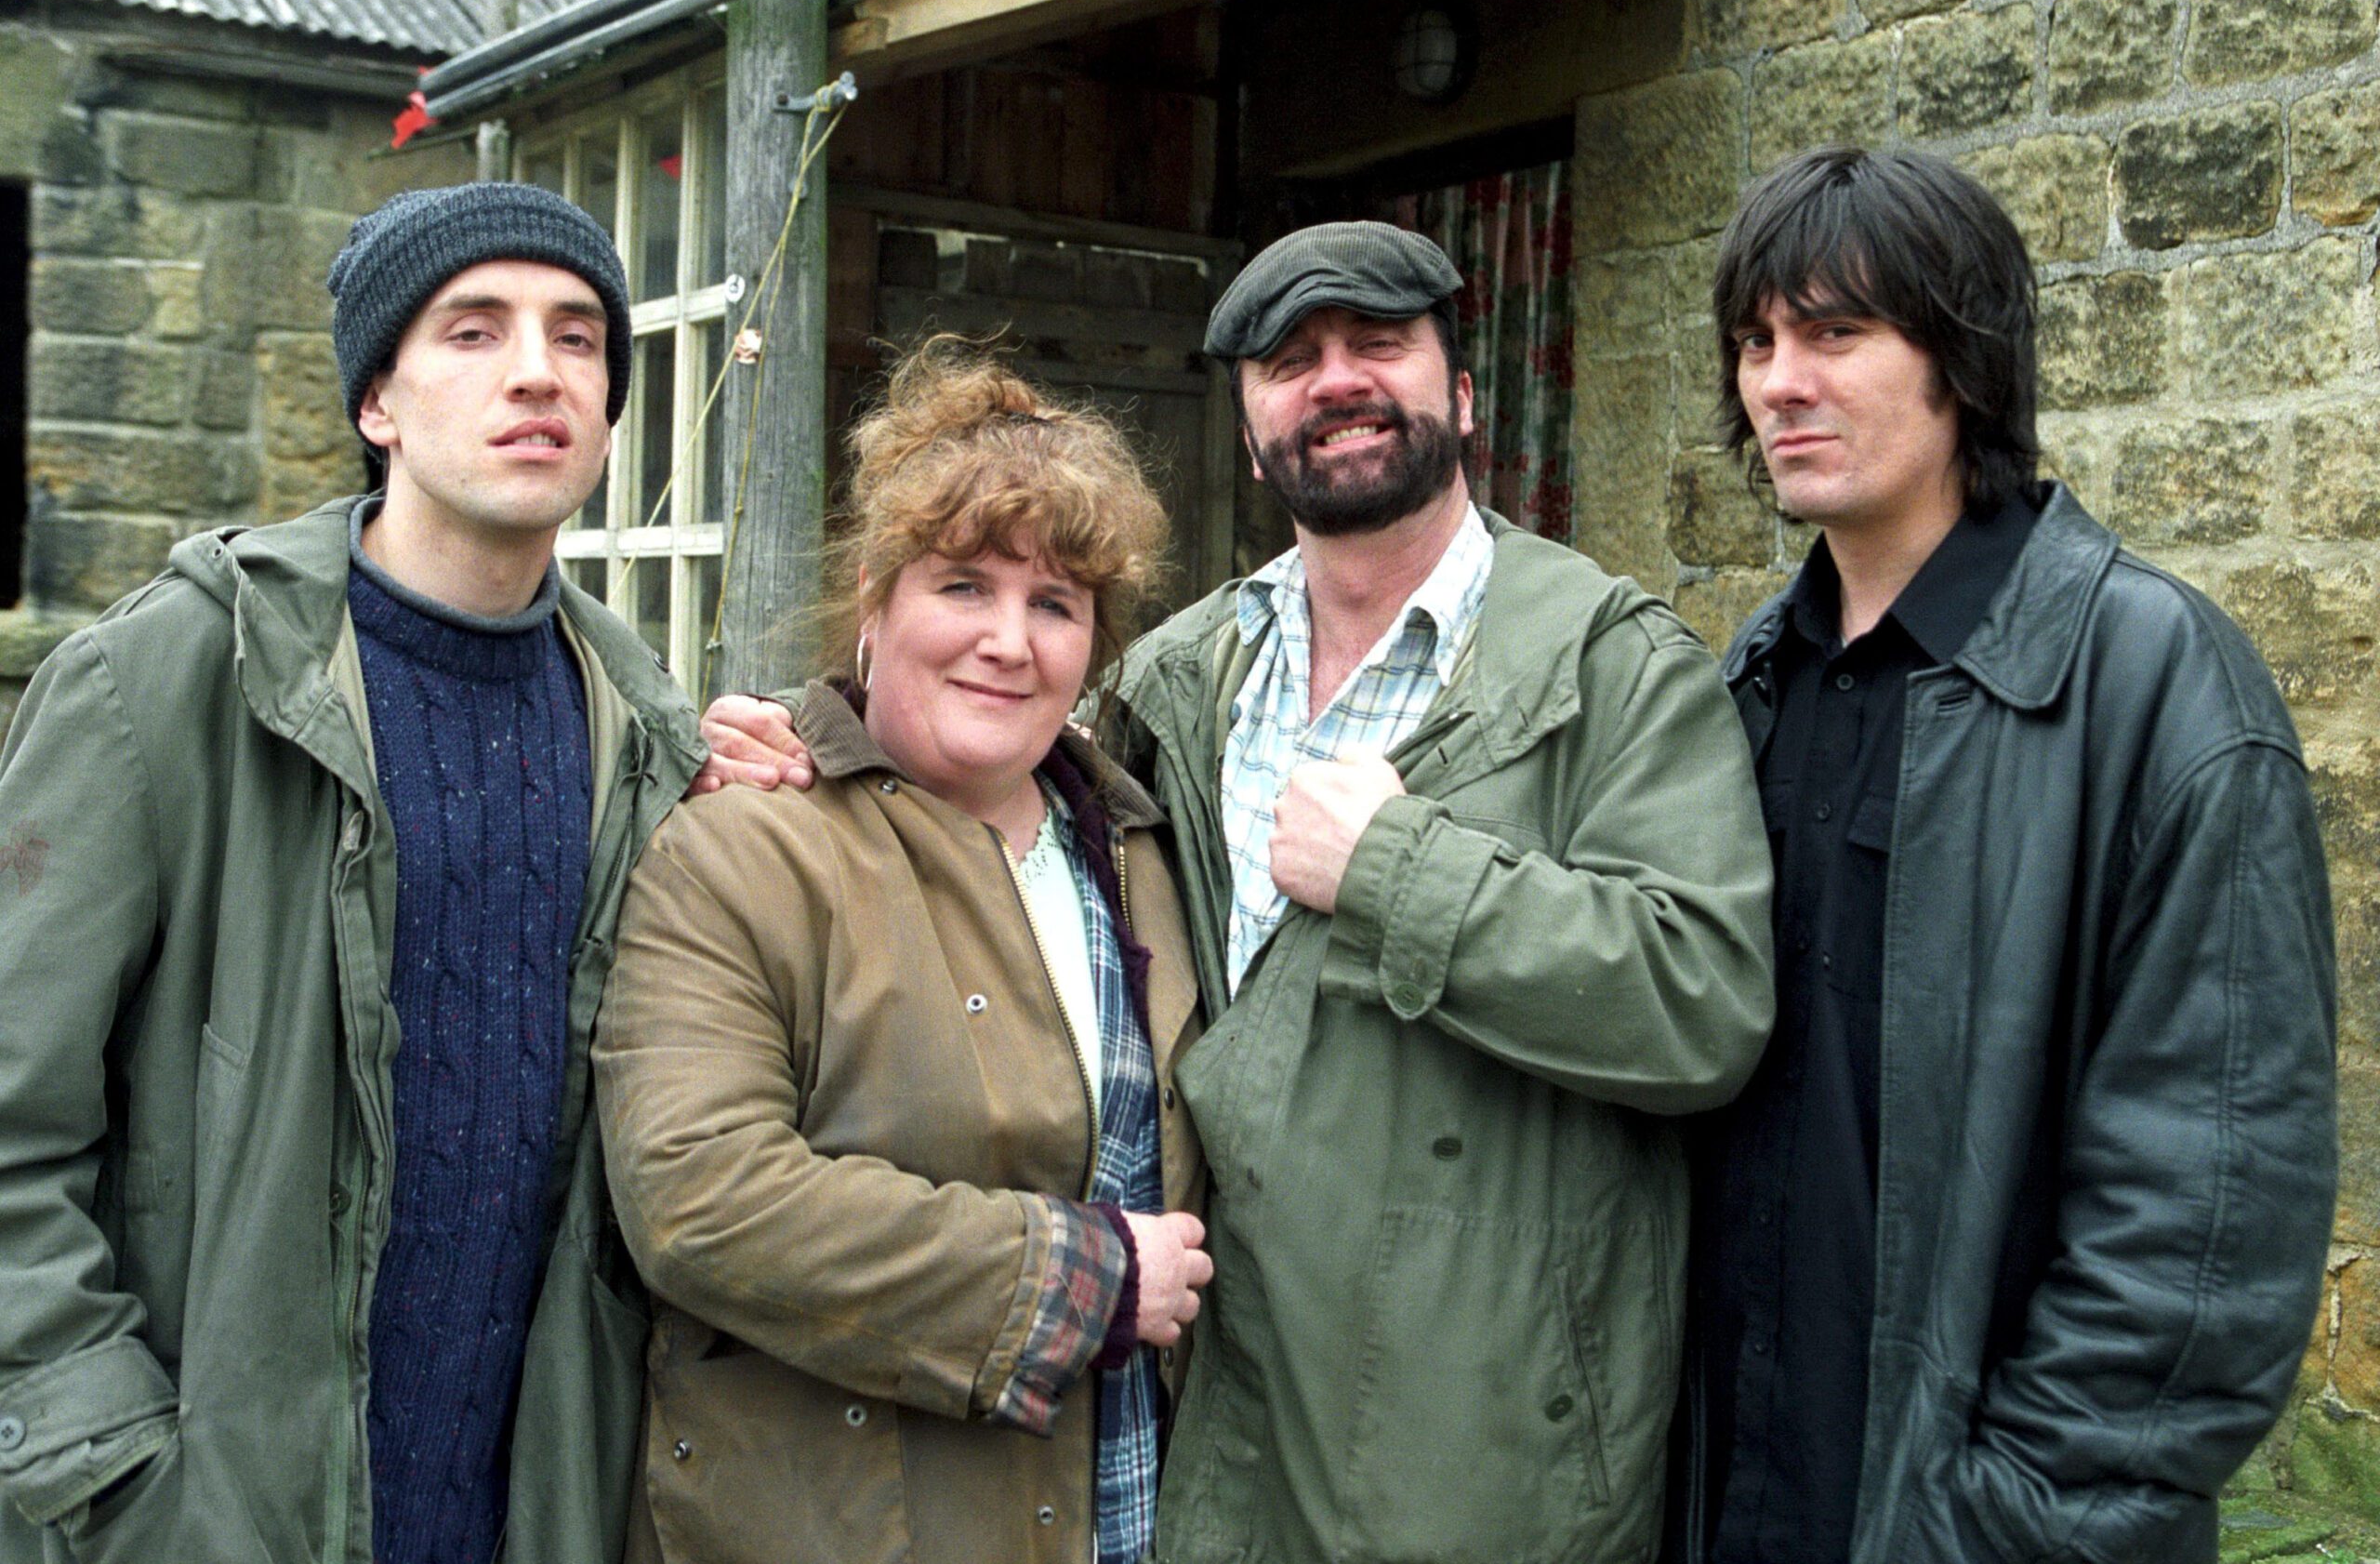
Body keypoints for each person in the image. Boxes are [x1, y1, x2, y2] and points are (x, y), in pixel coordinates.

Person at [699, 223, 1776, 1563]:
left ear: (1464, 392)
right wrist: (804, 738)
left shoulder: (1616, 667)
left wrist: (1397, 869)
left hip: (1483, 1454)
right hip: (1218, 1419)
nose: (1335, 380)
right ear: (1253, 423)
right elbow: (984, 761)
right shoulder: (1183, 677)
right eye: (1289, 359)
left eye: (1378, 343)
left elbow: (1705, 1002)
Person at [0, 181, 706, 1564]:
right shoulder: (165, 687)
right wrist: (112, 1471)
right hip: (204, 1517)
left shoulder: (648, 736)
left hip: (519, 1515)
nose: (534, 372)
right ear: (377, 402)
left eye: (578, 339)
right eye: (472, 330)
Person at [1672, 145, 2336, 1564]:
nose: (1781, 380)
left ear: (1964, 355)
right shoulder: (1749, 686)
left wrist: (2007, 1525)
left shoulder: (2158, 686)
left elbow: (2206, 1215)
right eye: (1757, 340)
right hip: (1735, 1501)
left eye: (1837, 332)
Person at [593, 338, 1210, 1564]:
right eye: (964, 587)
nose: (1009, 641)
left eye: (1055, 605)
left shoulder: (1143, 855)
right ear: (874, 596)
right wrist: (1070, 1281)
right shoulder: (745, 849)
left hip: (1123, 1510)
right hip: (841, 1524)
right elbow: (697, 1199)